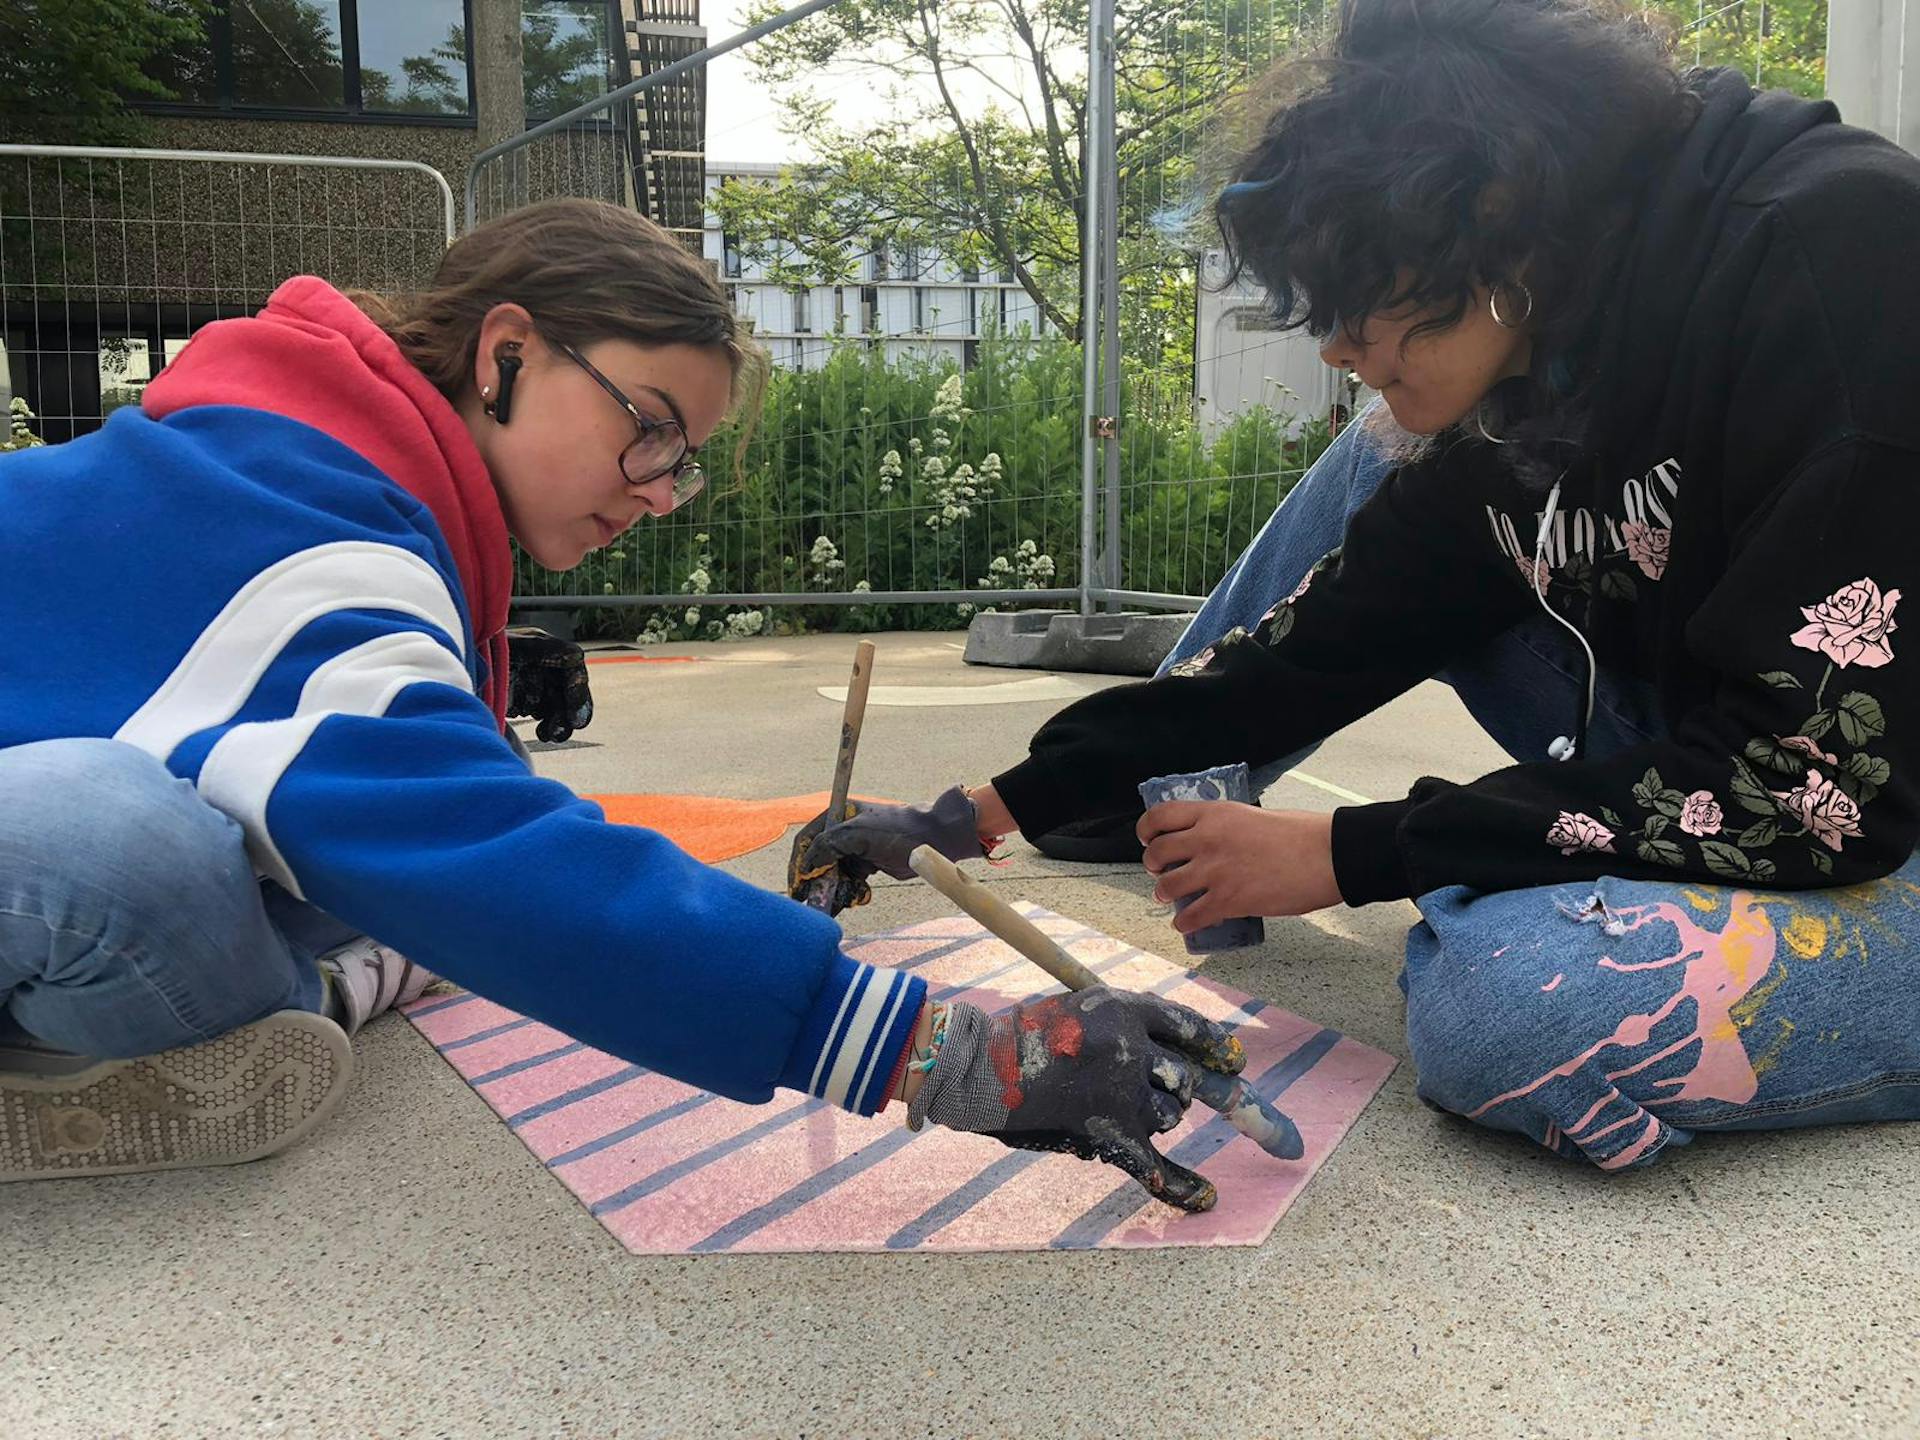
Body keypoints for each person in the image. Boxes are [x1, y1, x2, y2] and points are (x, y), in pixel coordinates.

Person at [795, 0, 1920, 1171]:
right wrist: (981, 810)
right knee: (1388, 446)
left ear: (1491, 217)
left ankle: (1526, 883)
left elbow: (1817, 787)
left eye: (1349, 302)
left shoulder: (1839, 266)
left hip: (1862, 791)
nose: (1329, 345)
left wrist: (1364, 849)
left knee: (1517, 1013)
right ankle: (1168, 812)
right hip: (1717, 727)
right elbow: (1329, 638)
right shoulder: (1542, 324)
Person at [0, 198, 1242, 1210]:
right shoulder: (309, 527)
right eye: (648, 431)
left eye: (681, 461)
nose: (659, 490)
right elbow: (483, 857)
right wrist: (949, 1053)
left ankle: (330, 975)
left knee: (341, 858)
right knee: (120, 850)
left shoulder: (327, 473)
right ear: (505, 357)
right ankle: (281, 1005)